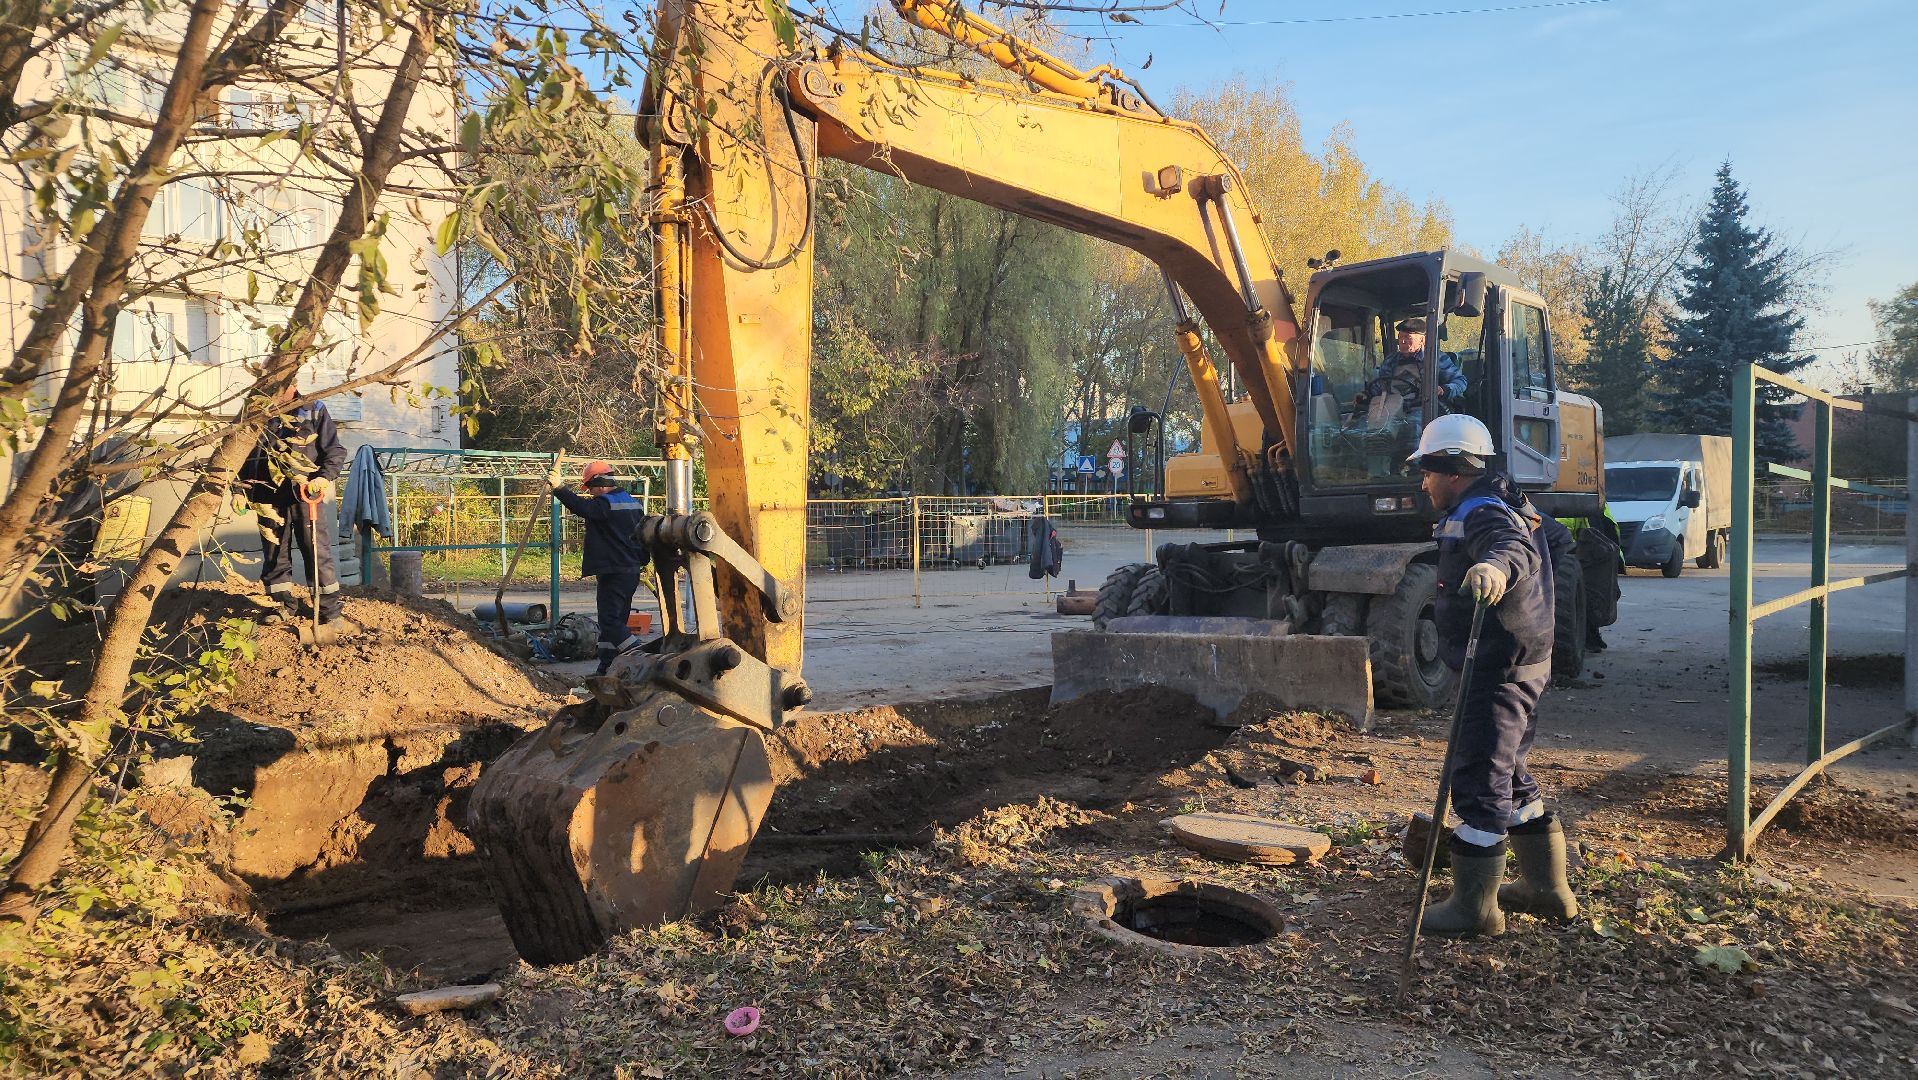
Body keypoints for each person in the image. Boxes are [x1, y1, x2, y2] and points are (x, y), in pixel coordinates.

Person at [1410, 414, 1578, 936]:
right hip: (1518, 659)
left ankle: (1475, 909)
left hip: (1499, 665)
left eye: (1427, 472)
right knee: (1508, 769)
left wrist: (1494, 569)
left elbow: (1515, 550)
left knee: (1480, 776)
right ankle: (1546, 889)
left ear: (1452, 471)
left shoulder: (1483, 511)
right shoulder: (1496, 500)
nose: (1422, 483)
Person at [241, 400, 350, 628]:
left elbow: (334, 450)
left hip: (305, 493)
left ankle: (329, 612)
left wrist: (323, 476)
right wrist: (239, 489)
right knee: (274, 553)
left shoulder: (313, 409)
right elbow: (241, 452)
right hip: (267, 495)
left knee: (316, 551)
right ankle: (284, 604)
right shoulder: (255, 410)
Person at [548, 459, 648, 676]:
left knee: (610, 621)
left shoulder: (606, 504)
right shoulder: (633, 502)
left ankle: (639, 653)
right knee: (616, 622)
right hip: (630, 569)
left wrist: (559, 488)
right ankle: (606, 668)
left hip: (614, 570)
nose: (591, 493)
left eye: (591, 488)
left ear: (600, 483)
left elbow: (582, 508)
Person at [1352, 316, 1467, 427]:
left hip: (1424, 408)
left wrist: (1444, 389)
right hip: (1391, 407)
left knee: (1411, 427)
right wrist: (1366, 395)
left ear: (1422, 340)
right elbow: (1380, 386)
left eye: (1408, 338)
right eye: (1400, 337)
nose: (1402, 341)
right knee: (1361, 425)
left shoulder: (1436, 359)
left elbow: (1460, 381)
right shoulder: (1391, 361)